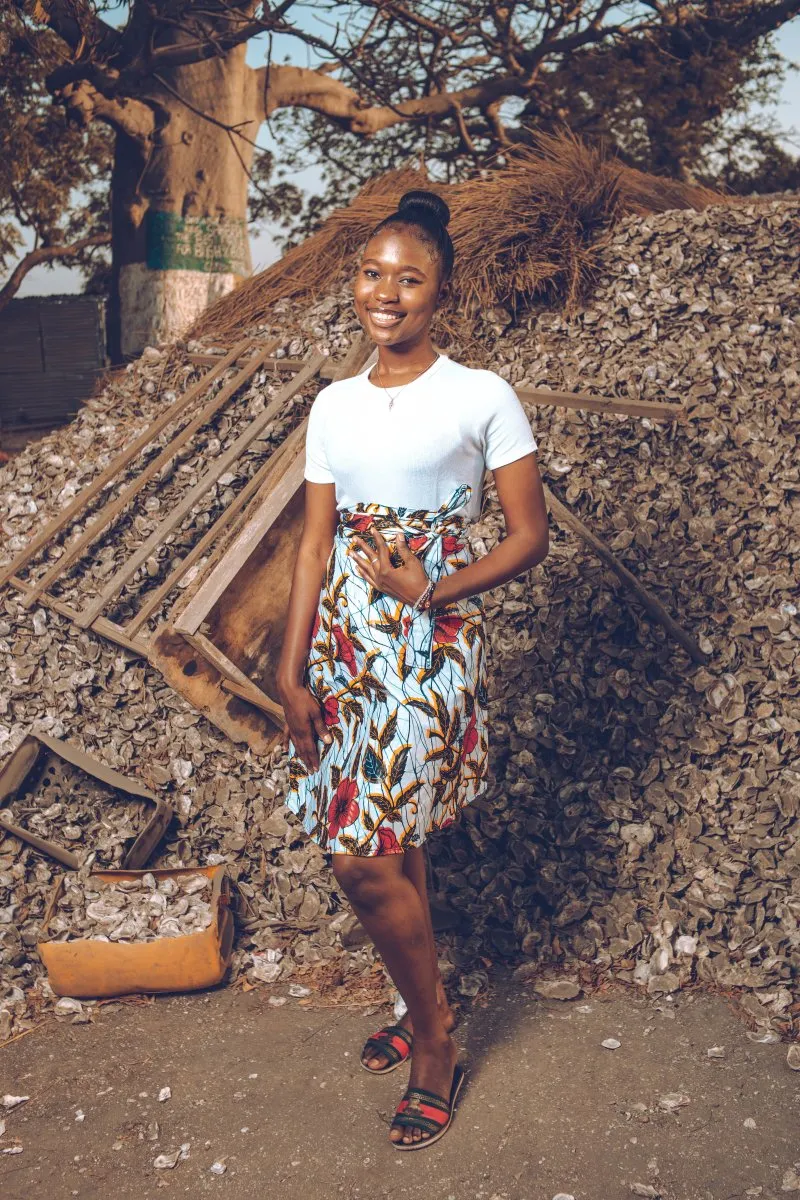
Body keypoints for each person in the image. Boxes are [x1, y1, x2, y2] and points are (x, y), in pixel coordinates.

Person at [277, 189, 549, 1150]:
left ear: (442, 291)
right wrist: (289, 665)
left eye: (409, 278)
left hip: (425, 645)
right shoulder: (333, 404)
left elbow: (529, 537)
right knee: (397, 841)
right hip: (341, 647)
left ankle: (434, 1040)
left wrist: (433, 588)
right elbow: (313, 547)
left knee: (362, 854)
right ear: (354, 283)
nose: (385, 293)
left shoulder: (481, 395)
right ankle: (415, 1003)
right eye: (372, 273)